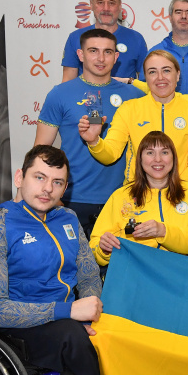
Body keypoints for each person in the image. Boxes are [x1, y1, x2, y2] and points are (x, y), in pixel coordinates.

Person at [0, 145, 171, 375]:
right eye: (39, 178)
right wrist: (70, 312)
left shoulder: (67, 218)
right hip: (16, 324)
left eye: (57, 182)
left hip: (66, 318)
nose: (47, 189)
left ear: (65, 187)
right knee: (71, 336)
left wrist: (91, 310)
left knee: (117, 328)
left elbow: (89, 273)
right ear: (20, 178)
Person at [35, 28, 144, 236]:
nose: (101, 58)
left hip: (122, 200)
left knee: (116, 259)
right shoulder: (59, 94)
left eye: (107, 52)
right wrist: (49, 196)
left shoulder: (136, 96)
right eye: (93, 51)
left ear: (116, 57)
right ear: (80, 54)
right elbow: (40, 152)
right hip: (71, 199)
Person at [79, 50, 188, 185]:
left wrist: (174, 190)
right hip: (137, 191)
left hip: (179, 191)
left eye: (166, 70)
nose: (160, 77)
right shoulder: (129, 109)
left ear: (178, 75)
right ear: (146, 78)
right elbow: (111, 154)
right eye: (152, 72)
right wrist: (94, 141)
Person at [90, 131, 188, 266]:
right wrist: (104, 250)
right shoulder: (121, 196)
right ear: (140, 159)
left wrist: (163, 231)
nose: (158, 159)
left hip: (176, 270)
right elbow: (95, 246)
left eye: (164, 152)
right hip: (133, 271)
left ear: (173, 158)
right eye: (150, 153)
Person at [61, 0, 147, 82]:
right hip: (85, 92)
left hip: (126, 92)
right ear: (91, 5)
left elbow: (145, 83)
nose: (106, 8)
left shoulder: (136, 39)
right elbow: (67, 81)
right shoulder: (75, 37)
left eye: (111, 3)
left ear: (120, 6)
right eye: (100, 2)